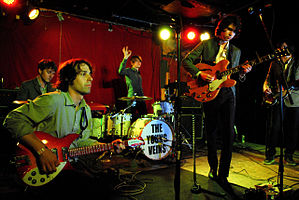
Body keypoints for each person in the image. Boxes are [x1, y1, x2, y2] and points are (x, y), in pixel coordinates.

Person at [3, 58, 124, 195]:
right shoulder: (54, 100)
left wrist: (107, 146)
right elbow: (13, 119)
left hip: (67, 167)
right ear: (69, 77)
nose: (90, 78)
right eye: (83, 74)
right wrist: (42, 150)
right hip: (41, 168)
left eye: (90, 74)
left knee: (110, 185)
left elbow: (80, 142)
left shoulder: (86, 109)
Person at [182, 14, 252, 186]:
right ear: (220, 29)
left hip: (228, 93)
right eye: (228, 29)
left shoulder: (236, 51)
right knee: (211, 132)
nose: (230, 34)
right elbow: (187, 60)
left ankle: (224, 174)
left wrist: (242, 72)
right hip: (209, 91)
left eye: (233, 31)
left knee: (229, 133)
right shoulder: (207, 44)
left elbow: (234, 76)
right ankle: (213, 168)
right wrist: (199, 73)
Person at [263, 40, 299, 166]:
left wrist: (285, 88)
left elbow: (297, 82)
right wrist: (265, 87)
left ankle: (289, 156)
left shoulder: (296, 63)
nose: (280, 50)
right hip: (278, 99)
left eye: (283, 47)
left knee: (292, 129)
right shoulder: (275, 62)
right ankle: (270, 155)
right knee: (274, 127)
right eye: (280, 47)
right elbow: (267, 79)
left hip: (294, 100)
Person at [118, 46, 147, 121]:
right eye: (137, 61)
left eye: (140, 61)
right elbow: (120, 71)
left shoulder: (138, 74)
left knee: (144, 117)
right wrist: (125, 58)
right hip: (131, 98)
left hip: (140, 98)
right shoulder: (129, 71)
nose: (139, 63)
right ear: (132, 63)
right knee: (131, 118)